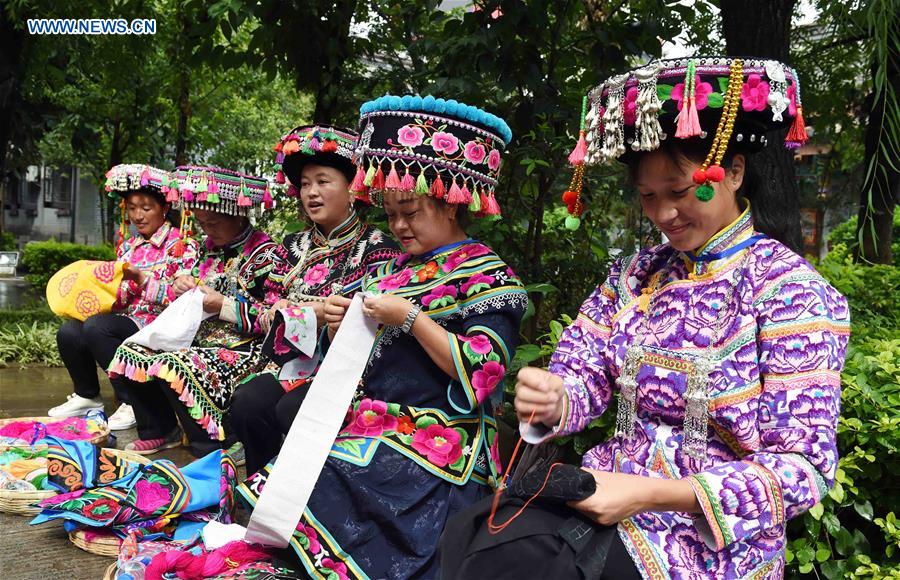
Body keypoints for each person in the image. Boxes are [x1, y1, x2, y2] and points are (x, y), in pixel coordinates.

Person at [441, 58, 850, 579]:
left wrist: (650, 494)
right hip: (604, 494)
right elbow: (581, 370)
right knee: (478, 541)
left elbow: (804, 467)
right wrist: (554, 396)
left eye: (679, 192)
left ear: (735, 171)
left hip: (708, 543)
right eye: (648, 197)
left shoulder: (792, 294)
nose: (663, 215)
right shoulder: (632, 275)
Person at [237, 94, 527, 578]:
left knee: (325, 483)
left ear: (451, 203)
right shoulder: (396, 271)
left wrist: (411, 319)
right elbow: (368, 355)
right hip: (374, 418)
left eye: (409, 211)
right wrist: (341, 322)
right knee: (288, 479)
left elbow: (483, 374)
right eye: (390, 213)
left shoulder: (490, 277)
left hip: (441, 437)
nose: (397, 225)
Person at [230, 124, 400, 474]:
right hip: (289, 363)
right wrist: (306, 312)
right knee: (248, 402)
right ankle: (259, 487)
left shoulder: (379, 247)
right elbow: (265, 310)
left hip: (349, 371)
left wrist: (313, 314)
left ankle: (306, 497)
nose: (311, 192)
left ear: (353, 188)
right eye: (305, 184)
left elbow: (376, 322)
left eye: (323, 181)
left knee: (291, 409)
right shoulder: (291, 246)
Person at [108, 165, 282, 456]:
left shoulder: (267, 254)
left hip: (245, 346)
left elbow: (273, 321)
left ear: (237, 216)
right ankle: (168, 430)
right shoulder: (207, 248)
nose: (206, 231)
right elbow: (185, 286)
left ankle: (215, 444)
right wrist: (181, 284)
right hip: (199, 337)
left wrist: (223, 306)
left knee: (174, 363)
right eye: (201, 223)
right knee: (132, 351)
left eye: (212, 223)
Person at [48, 164, 198, 431]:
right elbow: (118, 296)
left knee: (97, 327)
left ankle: (133, 401)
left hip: (159, 324)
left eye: (146, 207)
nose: (137, 215)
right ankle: (87, 396)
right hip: (126, 319)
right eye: (131, 207)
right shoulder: (128, 247)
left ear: (164, 208)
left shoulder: (182, 245)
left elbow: (183, 302)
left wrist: (141, 280)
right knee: (70, 330)